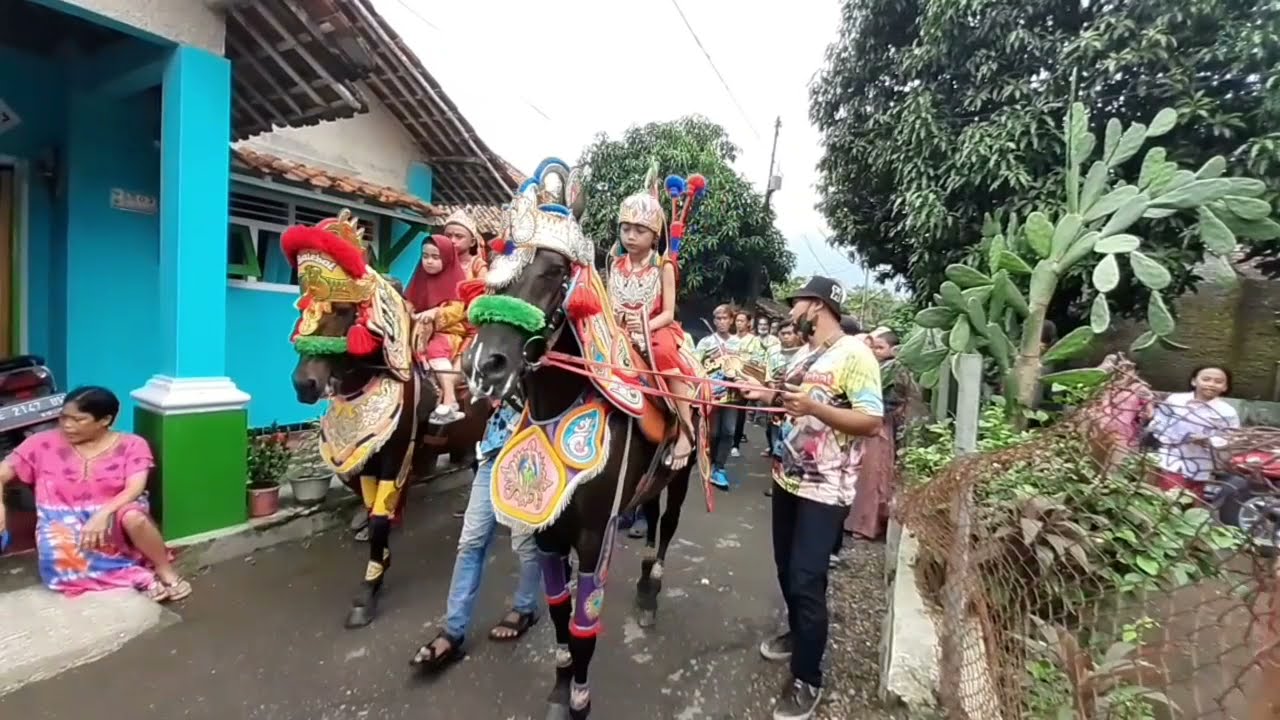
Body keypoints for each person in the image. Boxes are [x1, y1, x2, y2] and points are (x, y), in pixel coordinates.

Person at [743, 276, 883, 720]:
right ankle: (798, 635)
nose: (791, 312)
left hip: (826, 488)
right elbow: (791, 400)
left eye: (797, 304)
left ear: (817, 306)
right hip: (788, 479)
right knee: (786, 568)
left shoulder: (856, 354)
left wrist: (815, 409)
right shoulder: (806, 353)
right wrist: (767, 394)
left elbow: (871, 421)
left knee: (807, 578)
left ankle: (808, 676)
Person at [0, 386, 191, 601]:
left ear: (105, 420)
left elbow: (134, 488)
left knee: (134, 517)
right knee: (61, 566)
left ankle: (164, 570)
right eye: (63, 418)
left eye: (78, 420)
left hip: (116, 514)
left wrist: (102, 515)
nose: (67, 425)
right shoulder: (41, 443)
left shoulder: (132, 445)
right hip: (61, 520)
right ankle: (137, 576)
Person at [411, 396, 544, 670]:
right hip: (492, 453)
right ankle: (452, 631)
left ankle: (525, 607)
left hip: (533, 455)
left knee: (524, 543)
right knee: (470, 542)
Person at [608, 181, 700, 468]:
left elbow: (669, 313)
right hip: (621, 329)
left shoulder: (664, 266)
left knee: (664, 355)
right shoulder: (614, 264)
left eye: (640, 230)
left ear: (655, 234)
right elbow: (611, 303)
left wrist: (645, 326)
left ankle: (686, 430)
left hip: (657, 329)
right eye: (626, 229)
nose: (631, 236)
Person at [1144, 365, 1240, 500]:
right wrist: (1174, 439)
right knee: (1168, 497)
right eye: (1206, 379)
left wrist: (1209, 441)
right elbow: (1159, 422)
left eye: (1218, 382)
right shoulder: (1175, 400)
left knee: (1191, 500)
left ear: (1225, 387)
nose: (1211, 384)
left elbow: (1231, 438)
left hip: (1201, 462)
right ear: (1194, 381)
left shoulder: (1227, 412)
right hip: (1172, 457)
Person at [845, 328, 905, 541]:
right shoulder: (874, 367)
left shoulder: (896, 371)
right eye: (874, 347)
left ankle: (866, 525)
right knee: (859, 472)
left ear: (894, 350)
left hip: (880, 427)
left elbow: (893, 402)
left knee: (873, 475)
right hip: (866, 424)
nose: (876, 351)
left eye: (880, 347)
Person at [407, 235, 469, 424]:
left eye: (435, 257)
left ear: (447, 258)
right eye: (425, 256)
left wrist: (435, 312)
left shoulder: (457, 281)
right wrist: (409, 311)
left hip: (449, 333)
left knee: (435, 349)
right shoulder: (419, 278)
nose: (429, 261)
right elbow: (409, 301)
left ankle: (450, 401)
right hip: (418, 333)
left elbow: (458, 310)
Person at [695, 304, 747, 490]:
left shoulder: (739, 344)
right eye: (718, 318)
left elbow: (747, 367)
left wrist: (737, 374)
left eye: (725, 318)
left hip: (733, 395)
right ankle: (709, 461)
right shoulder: (706, 343)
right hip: (713, 395)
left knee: (729, 431)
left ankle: (720, 467)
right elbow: (695, 367)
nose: (721, 322)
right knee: (713, 432)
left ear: (731, 320)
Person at [732, 310, 764, 457]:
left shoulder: (755, 341)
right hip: (728, 379)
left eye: (742, 321)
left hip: (745, 379)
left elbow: (758, 360)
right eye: (737, 320)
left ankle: (735, 443)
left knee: (739, 410)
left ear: (748, 323)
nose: (739, 323)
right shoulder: (730, 339)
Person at [442, 209, 488, 282]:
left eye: (459, 236)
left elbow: (482, 291)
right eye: (448, 236)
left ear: (472, 242)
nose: (452, 240)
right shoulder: (440, 261)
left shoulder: (477, 265)